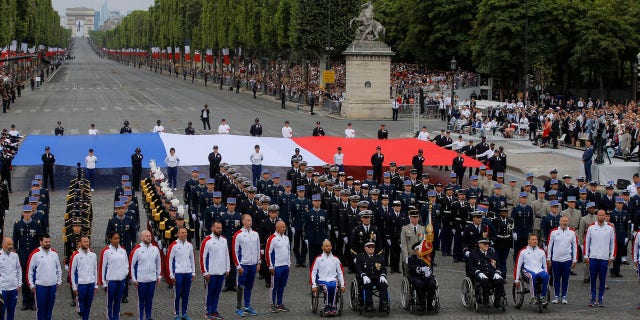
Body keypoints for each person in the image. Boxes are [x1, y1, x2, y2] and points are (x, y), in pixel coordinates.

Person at [584, 209, 615, 307]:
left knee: (602, 280)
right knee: (593, 279)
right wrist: (586, 255)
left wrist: (612, 256)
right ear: (597, 216)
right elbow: (587, 242)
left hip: (604, 258)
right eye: (600, 215)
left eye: (603, 215)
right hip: (593, 257)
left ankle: (600, 298)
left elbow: (613, 243)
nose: (601, 217)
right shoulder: (591, 227)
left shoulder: (610, 228)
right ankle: (593, 298)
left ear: (605, 216)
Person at [13, 205, 41, 311]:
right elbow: (15, 240)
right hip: (23, 256)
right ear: (23, 213)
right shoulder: (18, 224)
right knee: (24, 280)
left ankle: (33, 302)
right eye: (26, 212)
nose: (28, 214)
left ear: (31, 213)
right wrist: (15, 253)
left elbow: (39, 239)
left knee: (33, 279)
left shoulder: (36, 224)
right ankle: (25, 302)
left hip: (33, 256)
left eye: (29, 212)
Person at [27, 234, 61, 320]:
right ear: (41, 242)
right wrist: (31, 285)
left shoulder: (54, 253)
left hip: (52, 286)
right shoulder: (35, 254)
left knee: (50, 308)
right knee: (41, 309)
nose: (48, 243)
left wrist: (59, 281)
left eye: (49, 242)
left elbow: (59, 268)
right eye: (46, 242)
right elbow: (29, 271)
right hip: (40, 286)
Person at [232, 214, 261, 317]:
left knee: (249, 286)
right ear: (243, 221)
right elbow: (234, 251)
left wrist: (258, 262)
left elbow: (258, 248)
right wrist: (238, 266)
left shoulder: (255, 234)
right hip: (243, 264)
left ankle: (247, 306)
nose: (250, 222)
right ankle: (238, 308)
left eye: (251, 220)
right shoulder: (238, 234)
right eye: (248, 220)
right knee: (240, 286)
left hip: (253, 264)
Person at [201, 221, 230, 319]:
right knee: (210, 293)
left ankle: (214, 310)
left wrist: (227, 268)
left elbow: (227, 255)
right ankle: (208, 311)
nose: (219, 230)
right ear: (212, 228)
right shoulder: (206, 241)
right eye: (217, 228)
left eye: (220, 228)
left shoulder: (224, 240)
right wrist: (205, 272)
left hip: (221, 272)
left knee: (217, 293)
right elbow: (202, 257)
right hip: (211, 273)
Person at [129, 230, 161, 320]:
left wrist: (158, 276)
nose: (148, 237)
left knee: (149, 300)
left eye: (150, 236)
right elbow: (131, 265)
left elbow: (158, 263)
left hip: (152, 279)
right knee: (141, 300)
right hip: (141, 280)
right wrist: (134, 279)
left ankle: (148, 316)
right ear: (142, 238)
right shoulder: (137, 249)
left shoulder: (155, 249)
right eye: (146, 236)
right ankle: (140, 317)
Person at [547, 216, 578, 304]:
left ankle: (564, 296)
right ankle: (556, 296)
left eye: (566, 221)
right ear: (560, 222)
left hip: (567, 259)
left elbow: (575, 246)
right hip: (556, 259)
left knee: (565, 278)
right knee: (556, 278)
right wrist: (548, 257)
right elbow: (549, 245)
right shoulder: (554, 232)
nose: (565, 223)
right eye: (563, 221)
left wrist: (575, 259)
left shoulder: (572, 232)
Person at [310, 240, 346, 316]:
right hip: (322, 280)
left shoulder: (335, 259)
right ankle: (327, 306)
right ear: (322, 247)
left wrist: (342, 285)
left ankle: (332, 306)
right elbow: (313, 272)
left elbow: (340, 273)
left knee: (334, 286)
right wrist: (313, 284)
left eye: (329, 246)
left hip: (333, 279)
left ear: (331, 247)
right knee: (328, 286)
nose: (328, 247)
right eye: (326, 246)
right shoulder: (318, 259)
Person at [167, 227, 196, 320]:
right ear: (178, 234)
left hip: (188, 272)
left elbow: (192, 259)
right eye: (182, 232)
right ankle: (176, 314)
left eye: (185, 232)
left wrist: (193, 272)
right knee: (177, 294)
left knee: (186, 294)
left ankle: (184, 313)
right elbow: (169, 260)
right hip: (178, 273)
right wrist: (171, 274)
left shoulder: (190, 245)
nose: (184, 234)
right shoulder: (173, 245)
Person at [467, 238, 505, 308]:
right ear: (479, 245)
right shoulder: (473, 254)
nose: (487, 245)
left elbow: (498, 265)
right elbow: (471, 267)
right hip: (481, 274)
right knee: (484, 281)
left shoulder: (492, 253)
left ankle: (497, 301)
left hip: (492, 274)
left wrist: (497, 272)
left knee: (500, 281)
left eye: (488, 244)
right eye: (485, 244)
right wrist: (478, 272)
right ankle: (486, 301)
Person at [99, 232, 129, 320]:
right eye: (115, 238)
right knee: (109, 302)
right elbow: (102, 267)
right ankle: (109, 318)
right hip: (111, 281)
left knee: (118, 302)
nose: (117, 240)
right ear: (110, 239)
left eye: (118, 238)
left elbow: (126, 264)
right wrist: (103, 282)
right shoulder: (106, 251)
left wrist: (125, 273)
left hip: (121, 280)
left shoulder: (123, 250)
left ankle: (116, 317)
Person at [514, 234, 549, 304]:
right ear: (528, 241)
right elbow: (518, 266)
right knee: (533, 276)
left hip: (539, 270)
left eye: (536, 240)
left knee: (546, 275)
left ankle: (543, 296)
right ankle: (533, 297)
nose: (535, 241)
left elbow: (545, 266)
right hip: (527, 270)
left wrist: (546, 273)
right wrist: (516, 279)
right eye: (533, 240)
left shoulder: (541, 251)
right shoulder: (523, 251)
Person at [354, 242, 389, 312]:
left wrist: (383, 275)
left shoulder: (379, 257)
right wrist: (363, 275)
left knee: (383, 284)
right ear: (365, 248)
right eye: (369, 247)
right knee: (368, 284)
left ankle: (383, 304)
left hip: (376, 278)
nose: (371, 248)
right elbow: (358, 268)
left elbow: (383, 269)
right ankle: (369, 304)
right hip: (366, 278)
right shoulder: (360, 257)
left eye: (372, 247)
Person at [69, 235, 97, 320]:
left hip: (91, 283)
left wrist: (96, 284)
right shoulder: (76, 255)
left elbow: (95, 270)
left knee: (88, 305)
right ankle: (80, 311)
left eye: (87, 241)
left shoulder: (93, 255)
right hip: (81, 284)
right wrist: (74, 286)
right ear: (80, 243)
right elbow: (72, 272)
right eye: (84, 242)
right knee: (81, 306)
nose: (86, 243)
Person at [265, 220, 291, 312]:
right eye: (282, 227)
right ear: (277, 227)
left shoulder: (286, 238)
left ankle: (279, 303)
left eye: (285, 227)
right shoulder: (272, 238)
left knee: (282, 285)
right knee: (274, 286)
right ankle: (272, 304)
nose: (284, 228)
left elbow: (288, 252)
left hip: (284, 266)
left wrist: (288, 264)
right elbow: (268, 253)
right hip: (276, 266)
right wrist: (270, 266)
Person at [407, 241, 437, 312]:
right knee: (419, 284)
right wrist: (419, 269)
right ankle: (422, 305)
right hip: (416, 277)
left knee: (432, 284)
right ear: (415, 251)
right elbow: (413, 267)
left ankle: (430, 305)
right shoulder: (411, 259)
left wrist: (429, 271)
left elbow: (430, 268)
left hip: (427, 277)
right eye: (417, 250)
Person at [0, 237, 21, 320]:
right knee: (1, 312)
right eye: (8, 244)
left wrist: (19, 284)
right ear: (3, 244)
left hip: (13, 289)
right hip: (2, 290)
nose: (11, 246)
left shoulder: (15, 256)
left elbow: (19, 270)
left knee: (11, 311)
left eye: (12, 244)